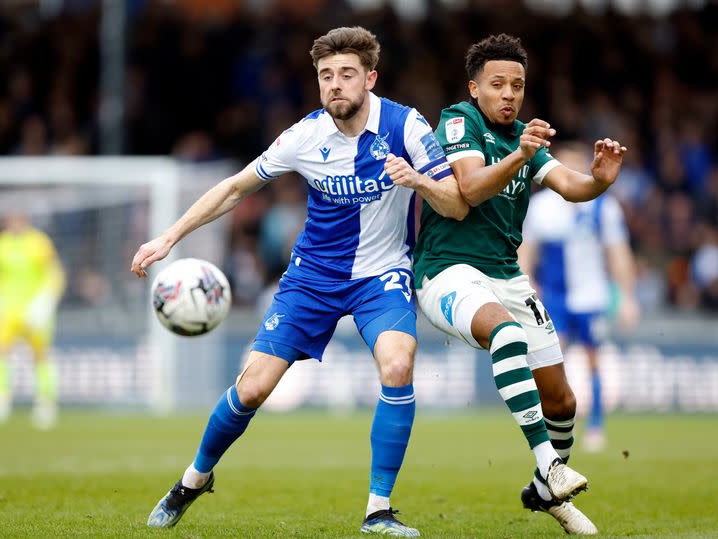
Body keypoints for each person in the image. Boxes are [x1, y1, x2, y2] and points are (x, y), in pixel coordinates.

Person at [131, 26, 468, 537]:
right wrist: (169, 238)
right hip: (312, 277)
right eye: (325, 76)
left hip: (383, 275)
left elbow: (457, 204)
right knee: (253, 388)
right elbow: (233, 188)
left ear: (370, 79)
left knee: (398, 364)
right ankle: (193, 481)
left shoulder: (409, 128)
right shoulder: (304, 136)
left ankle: (378, 510)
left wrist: (418, 180)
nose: (335, 85)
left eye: (346, 75)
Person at [413, 34, 628, 535]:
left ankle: (545, 491)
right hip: (447, 269)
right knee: (506, 334)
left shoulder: (522, 139)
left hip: (506, 273)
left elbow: (569, 184)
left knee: (563, 400)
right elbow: (468, 187)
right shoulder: (459, 121)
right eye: (498, 84)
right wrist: (520, 154)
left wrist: (599, 180)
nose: (509, 94)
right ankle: (551, 465)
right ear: (475, 87)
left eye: (518, 85)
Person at [520, 143, 640, 453]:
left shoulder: (603, 206)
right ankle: (548, 426)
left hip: (592, 298)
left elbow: (618, 254)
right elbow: (527, 252)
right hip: (555, 299)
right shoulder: (542, 206)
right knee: (549, 361)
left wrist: (627, 296)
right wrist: (527, 285)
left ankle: (596, 426)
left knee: (594, 361)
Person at [0, 213, 65, 430]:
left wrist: (45, 301)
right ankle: (0, 402)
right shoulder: (1, 243)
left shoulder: (39, 242)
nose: (13, 222)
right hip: (7, 309)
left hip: (34, 309)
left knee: (40, 355)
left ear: (25, 220)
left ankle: (46, 403)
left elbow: (55, 273)